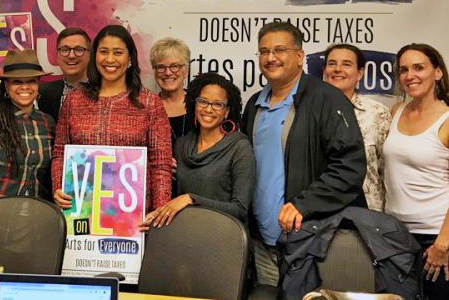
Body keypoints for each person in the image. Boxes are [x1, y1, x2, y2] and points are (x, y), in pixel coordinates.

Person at [242, 21, 366, 287]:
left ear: (299, 56)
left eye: (279, 50)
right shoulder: (254, 104)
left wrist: (304, 204)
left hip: (310, 241)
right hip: (263, 243)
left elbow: (349, 168)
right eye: (264, 51)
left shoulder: (328, 99)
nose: (270, 58)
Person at [51, 24, 172, 212]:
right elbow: (60, 153)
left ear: (130, 58)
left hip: (131, 218)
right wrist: (58, 188)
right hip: (81, 210)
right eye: (104, 52)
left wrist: (159, 210)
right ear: (95, 56)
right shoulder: (74, 99)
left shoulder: (150, 102)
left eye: (118, 53)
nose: (110, 59)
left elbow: (160, 165)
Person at [141, 72, 254, 229]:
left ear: (226, 111)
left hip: (225, 239)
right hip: (187, 236)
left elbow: (240, 209)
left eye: (217, 104)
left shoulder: (239, 147)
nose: (208, 109)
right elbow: (173, 202)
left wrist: (191, 199)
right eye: (203, 101)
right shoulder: (182, 145)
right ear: (194, 104)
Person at [383, 43, 449, 299]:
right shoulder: (396, 111)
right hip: (394, 235)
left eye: (419, 67)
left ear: (438, 72)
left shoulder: (446, 119)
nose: (410, 75)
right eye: (404, 70)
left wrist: (443, 242)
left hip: (435, 237)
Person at [0, 49, 54, 216]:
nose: (25, 87)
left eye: (31, 81)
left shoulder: (47, 122)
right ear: (6, 85)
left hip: (36, 218)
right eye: (17, 82)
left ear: (38, 84)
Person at [322, 43, 391, 211]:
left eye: (346, 64)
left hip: (368, 216)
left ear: (360, 73)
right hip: (321, 214)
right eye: (332, 64)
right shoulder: (309, 111)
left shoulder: (377, 113)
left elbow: (387, 171)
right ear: (324, 71)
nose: (337, 69)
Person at [37, 27, 91, 122]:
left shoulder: (103, 90)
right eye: (65, 50)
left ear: (90, 55)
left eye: (78, 50)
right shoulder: (43, 93)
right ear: (57, 55)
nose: (71, 55)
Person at [150, 37, 190, 144]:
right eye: (161, 67)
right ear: (154, 72)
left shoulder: (200, 105)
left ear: (185, 70)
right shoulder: (147, 109)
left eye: (174, 66)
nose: (167, 73)